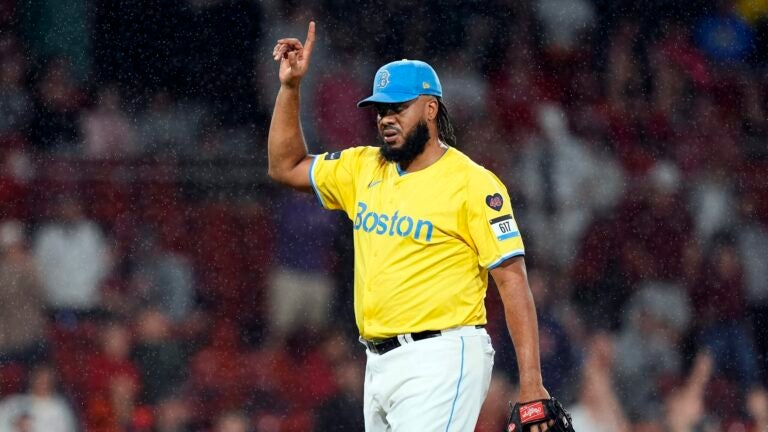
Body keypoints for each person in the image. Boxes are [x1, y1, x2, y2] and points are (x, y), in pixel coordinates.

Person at [268, 22, 555, 431]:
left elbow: (512, 283)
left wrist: (531, 382)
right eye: (381, 108)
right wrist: (291, 89)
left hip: (442, 354)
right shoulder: (362, 167)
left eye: (399, 106)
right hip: (378, 361)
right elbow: (286, 166)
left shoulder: (473, 184)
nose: (387, 117)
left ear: (431, 108)